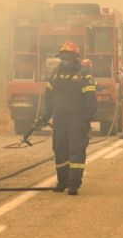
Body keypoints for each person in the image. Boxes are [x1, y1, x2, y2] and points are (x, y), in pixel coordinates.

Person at [34, 41, 98, 195]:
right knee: (60, 149)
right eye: (62, 55)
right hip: (60, 119)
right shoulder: (55, 74)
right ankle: (62, 181)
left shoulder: (84, 74)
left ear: (75, 57)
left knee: (75, 150)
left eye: (68, 55)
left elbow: (90, 98)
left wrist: (87, 120)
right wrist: (45, 115)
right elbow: (49, 97)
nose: (64, 58)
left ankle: (74, 184)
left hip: (77, 119)